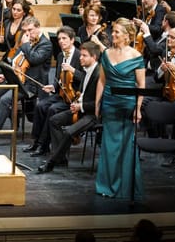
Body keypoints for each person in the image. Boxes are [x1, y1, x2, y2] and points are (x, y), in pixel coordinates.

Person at [0, 16, 52, 147]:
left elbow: (35, 59)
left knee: (5, 100)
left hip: (31, 85)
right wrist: (5, 75)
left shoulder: (45, 44)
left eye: (30, 30)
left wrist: (25, 45)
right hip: (17, 80)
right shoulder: (26, 43)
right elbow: (14, 61)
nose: (27, 33)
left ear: (38, 27)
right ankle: (13, 115)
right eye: (25, 31)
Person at [95, 17, 145, 199]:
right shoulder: (106, 53)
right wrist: (97, 103)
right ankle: (107, 184)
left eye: (116, 32)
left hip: (127, 104)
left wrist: (138, 108)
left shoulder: (136, 56)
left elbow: (141, 85)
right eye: (113, 31)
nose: (112, 34)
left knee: (126, 145)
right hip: (110, 103)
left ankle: (125, 185)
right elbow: (102, 80)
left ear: (126, 35)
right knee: (109, 145)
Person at [38, 42, 101, 173]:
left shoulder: (98, 74)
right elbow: (83, 93)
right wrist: (77, 103)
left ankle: (52, 162)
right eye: (81, 55)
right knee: (54, 120)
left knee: (69, 132)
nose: (80, 58)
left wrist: (81, 106)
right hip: (82, 109)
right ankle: (60, 158)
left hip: (93, 115)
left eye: (84, 55)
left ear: (94, 57)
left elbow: (99, 102)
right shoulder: (87, 71)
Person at [26, 26, 82, 157]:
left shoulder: (79, 56)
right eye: (59, 39)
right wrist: (53, 86)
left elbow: (85, 78)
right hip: (61, 94)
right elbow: (60, 78)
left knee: (52, 109)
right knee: (40, 106)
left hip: (73, 97)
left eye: (64, 38)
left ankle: (43, 145)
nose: (61, 41)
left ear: (72, 40)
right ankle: (36, 141)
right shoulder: (60, 55)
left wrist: (73, 70)